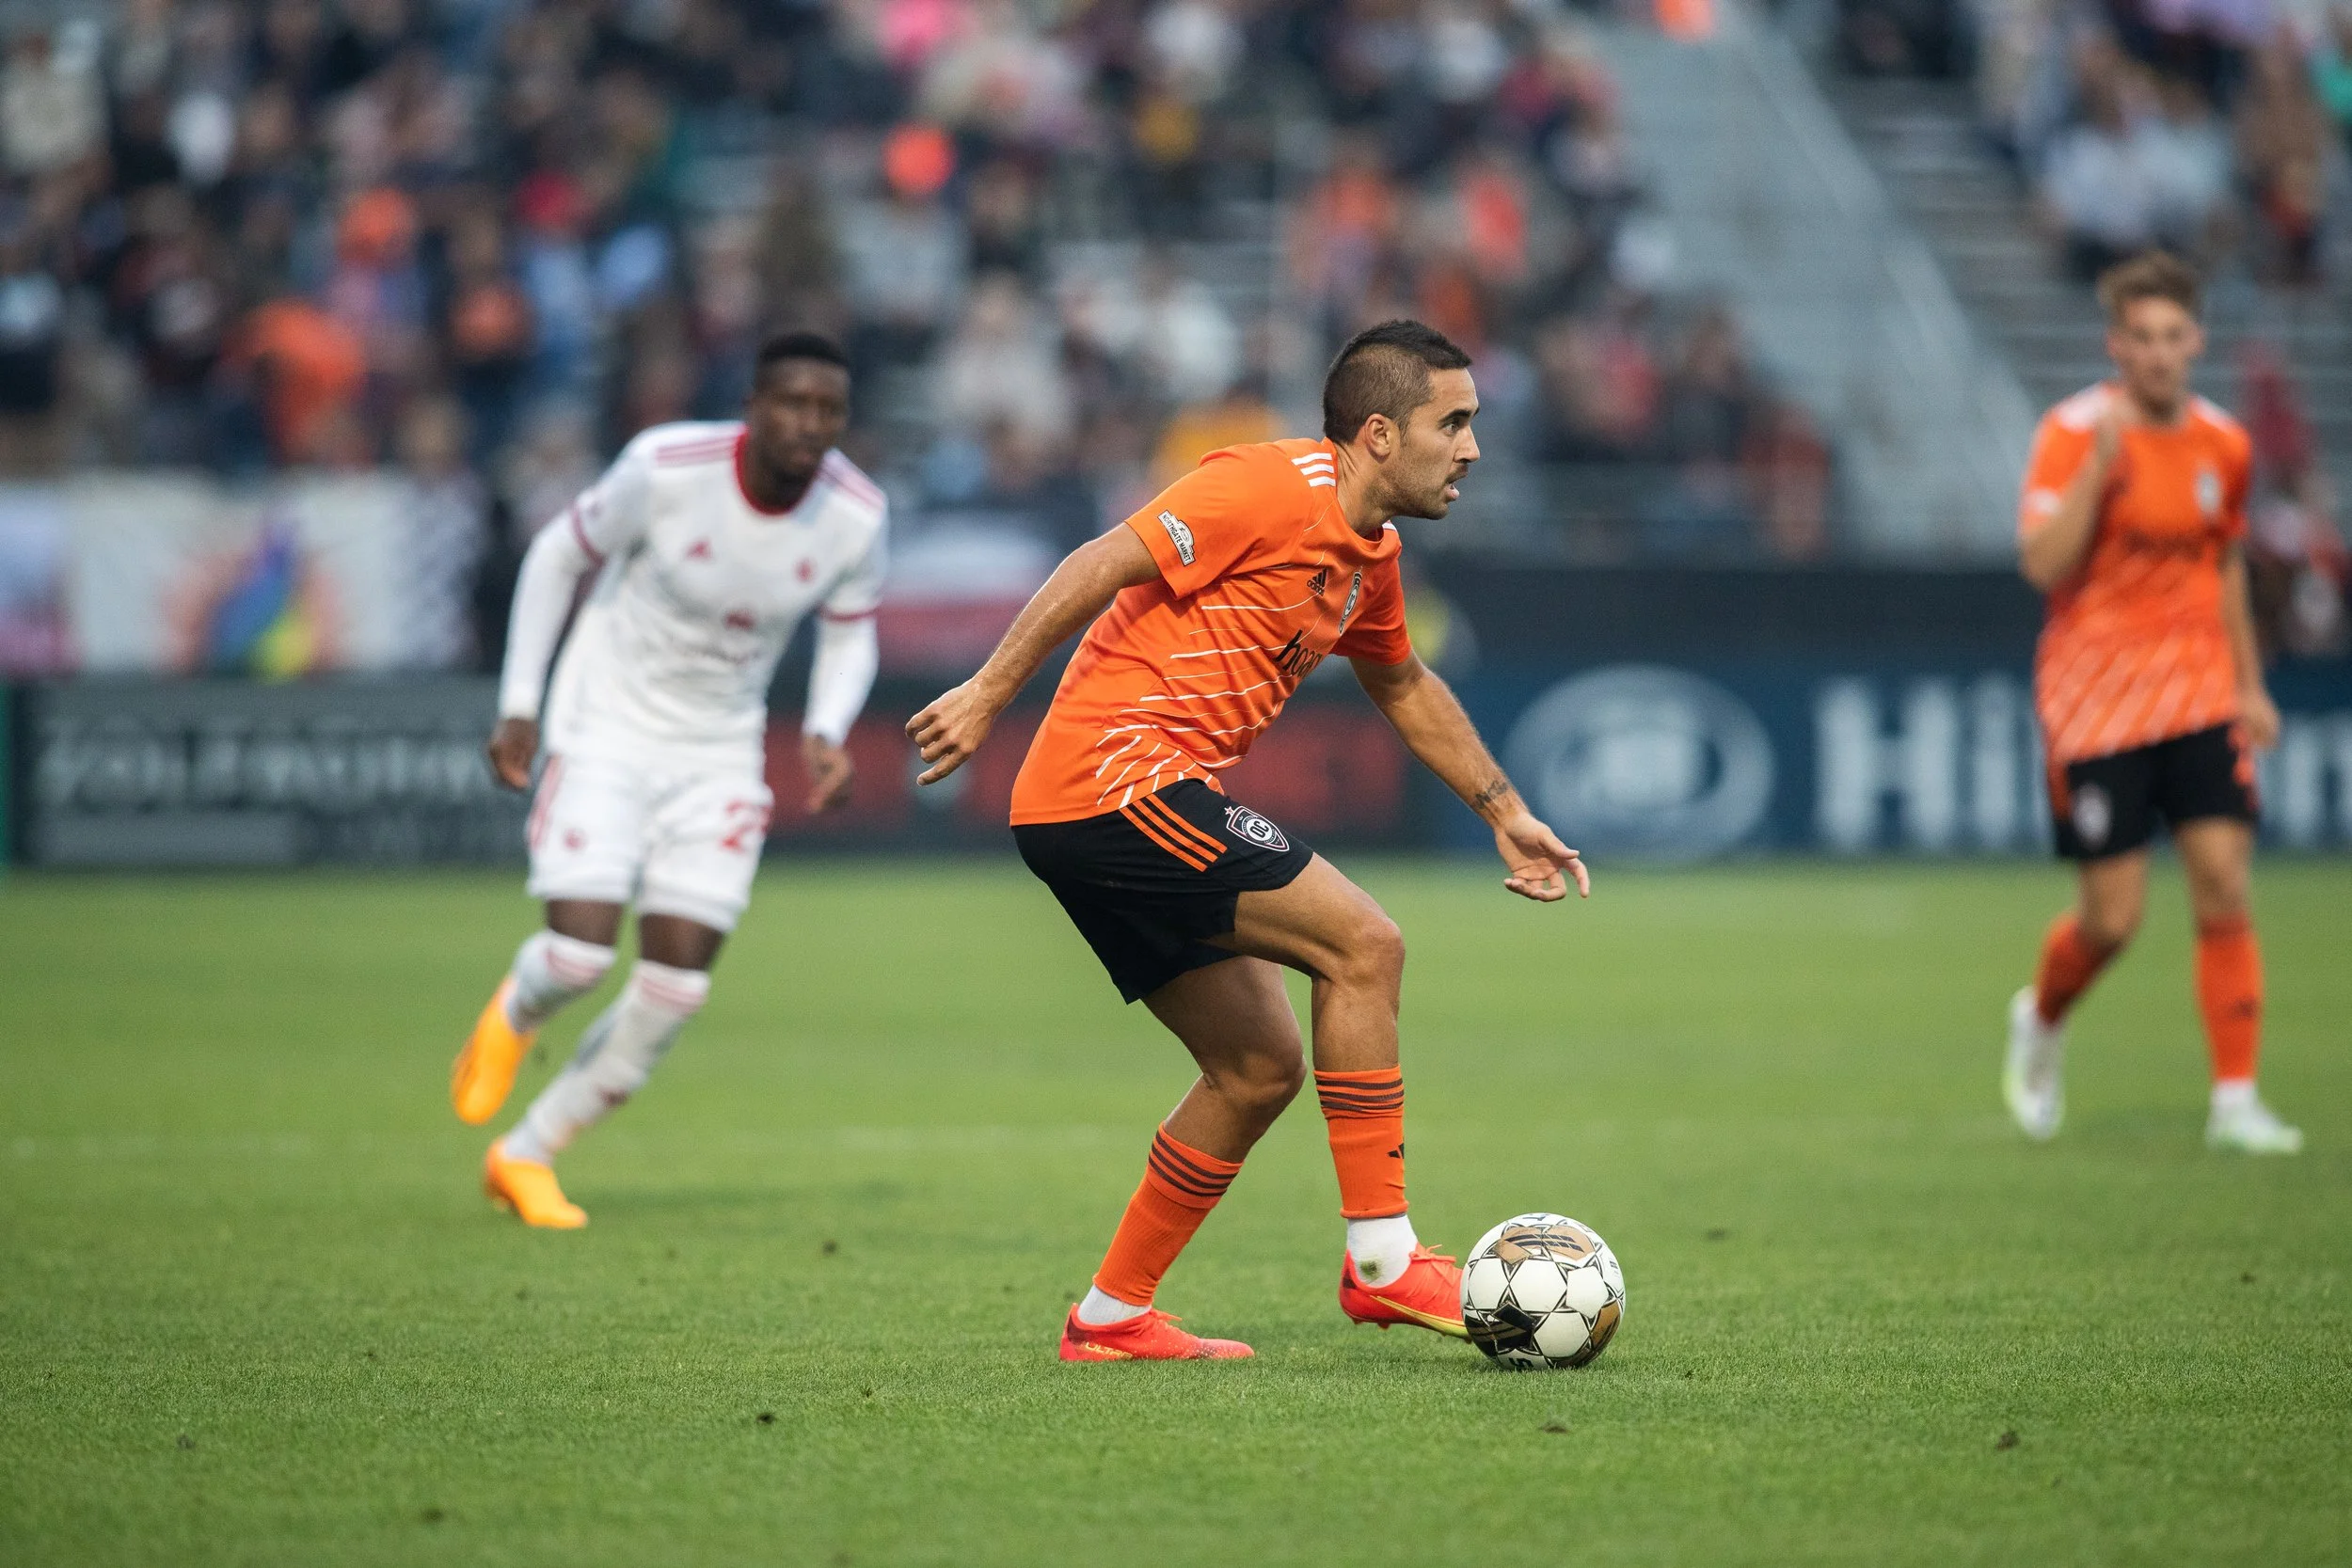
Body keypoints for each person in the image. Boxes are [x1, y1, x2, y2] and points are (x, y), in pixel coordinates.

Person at [908, 320, 1589, 1361]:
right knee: (1366, 945)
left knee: (1256, 1066)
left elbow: (1400, 681)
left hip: (1095, 806)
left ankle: (1108, 1316)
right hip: (1115, 781)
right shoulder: (1267, 488)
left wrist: (1503, 810)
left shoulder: (1374, 553)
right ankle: (1383, 1258)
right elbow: (1101, 559)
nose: (1471, 448)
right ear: (1375, 432)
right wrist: (987, 691)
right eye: (1450, 422)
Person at [449, 332, 889, 1227]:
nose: (811, 425)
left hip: (718, 750)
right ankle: (520, 1003)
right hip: (605, 723)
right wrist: (521, 702)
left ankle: (526, 1154)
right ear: (754, 407)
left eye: (829, 410)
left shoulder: (856, 513)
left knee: (677, 983)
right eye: (793, 404)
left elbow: (850, 628)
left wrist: (826, 729)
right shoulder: (665, 466)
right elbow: (556, 557)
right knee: (578, 953)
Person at [2005, 253, 2300, 1155]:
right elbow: (2042, 565)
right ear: (2117, 344)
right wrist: (2100, 473)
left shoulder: (2225, 445)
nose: (2162, 355)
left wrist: (2247, 685)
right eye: (2144, 339)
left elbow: (2224, 569)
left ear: (2196, 340)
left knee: (2222, 884)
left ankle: (2237, 1099)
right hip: (2095, 700)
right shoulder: (2071, 432)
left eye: (2176, 337)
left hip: (2200, 691)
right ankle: (2042, 1015)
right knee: (2113, 919)